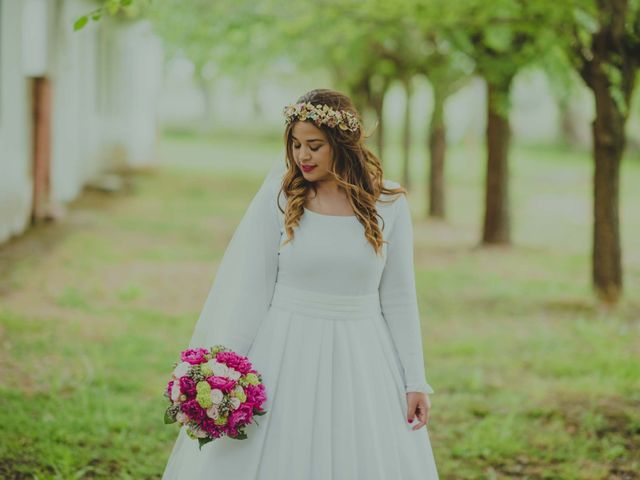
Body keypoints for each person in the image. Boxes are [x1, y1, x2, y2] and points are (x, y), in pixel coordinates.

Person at [162, 88, 439, 479]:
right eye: (295, 144)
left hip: (363, 354)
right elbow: (252, 289)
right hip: (284, 348)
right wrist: (223, 370)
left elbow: (399, 297)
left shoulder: (388, 204)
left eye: (314, 146)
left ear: (343, 145)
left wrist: (415, 379)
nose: (301, 156)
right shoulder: (280, 197)